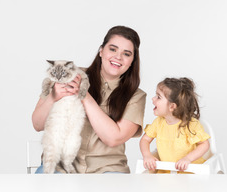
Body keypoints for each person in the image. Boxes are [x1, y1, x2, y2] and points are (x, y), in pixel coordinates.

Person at [32, 26, 146, 173]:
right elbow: (37, 124)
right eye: (112, 49)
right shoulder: (70, 75)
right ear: (101, 51)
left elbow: (113, 139)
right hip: (61, 167)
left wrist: (84, 94)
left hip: (107, 170)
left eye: (126, 54)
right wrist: (53, 97)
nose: (118, 57)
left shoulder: (136, 97)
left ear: (132, 61)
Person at [139, 77, 210, 173]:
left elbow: (204, 144)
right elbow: (145, 140)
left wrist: (187, 159)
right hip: (167, 172)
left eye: (158, 97)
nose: (153, 99)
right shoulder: (158, 122)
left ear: (172, 106)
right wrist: (147, 155)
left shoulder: (191, 124)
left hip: (190, 172)